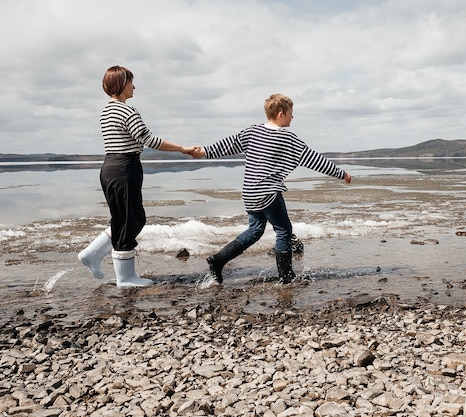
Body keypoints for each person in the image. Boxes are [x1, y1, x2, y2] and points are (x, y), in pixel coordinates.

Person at [190, 93, 352, 285]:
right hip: (268, 191)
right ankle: (286, 276)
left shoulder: (253, 131)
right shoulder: (287, 138)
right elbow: (315, 160)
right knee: (284, 230)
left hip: (250, 192)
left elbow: (226, 145)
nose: (293, 117)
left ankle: (217, 260)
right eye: (291, 113)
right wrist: (341, 174)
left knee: (255, 231)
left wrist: (203, 152)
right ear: (281, 114)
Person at [78, 66, 197, 288]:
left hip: (111, 166)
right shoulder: (127, 111)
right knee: (130, 220)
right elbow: (149, 140)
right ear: (121, 84)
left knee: (124, 219)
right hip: (125, 167)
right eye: (131, 82)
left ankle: (93, 253)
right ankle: (125, 278)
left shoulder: (106, 110)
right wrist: (183, 148)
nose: (134, 86)